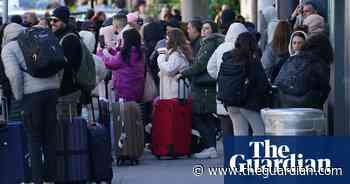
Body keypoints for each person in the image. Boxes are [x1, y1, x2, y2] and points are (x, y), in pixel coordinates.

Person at [2, 23, 60, 184]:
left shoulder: (8, 48)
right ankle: (51, 179)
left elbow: (14, 75)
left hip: (31, 95)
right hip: (52, 90)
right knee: (50, 136)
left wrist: (19, 96)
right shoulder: (38, 39)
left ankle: (37, 179)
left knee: (34, 138)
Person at [180, 21, 224, 159]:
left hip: (203, 86)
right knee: (206, 116)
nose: (204, 31)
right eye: (203, 28)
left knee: (200, 115)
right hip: (207, 85)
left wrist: (184, 72)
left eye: (207, 28)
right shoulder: (210, 42)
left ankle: (210, 146)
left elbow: (200, 64)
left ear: (212, 30)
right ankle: (210, 147)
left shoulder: (209, 43)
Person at [223, 32, 270, 136]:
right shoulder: (253, 61)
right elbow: (263, 84)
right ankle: (258, 152)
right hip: (249, 103)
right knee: (260, 132)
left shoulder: (227, 59)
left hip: (230, 101)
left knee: (239, 133)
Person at [207, 23, 248, 136]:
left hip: (223, 93)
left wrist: (220, 77)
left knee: (226, 128)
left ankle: (229, 152)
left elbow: (210, 67)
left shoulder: (221, 47)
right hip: (241, 94)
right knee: (241, 128)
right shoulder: (244, 47)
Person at [274, 33, 332, 109]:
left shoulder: (292, 59)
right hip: (307, 109)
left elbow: (277, 82)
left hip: (283, 107)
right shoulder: (319, 63)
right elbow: (324, 90)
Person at [98, 28, 145, 102]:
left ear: (127, 41)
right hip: (137, 87)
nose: (121, 41)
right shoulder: (139, 52)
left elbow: (110, 63)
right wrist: (111, 50)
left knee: (124, 112)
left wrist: (101, 53)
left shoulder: (124, 54)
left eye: (122, 39)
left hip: (124, 90)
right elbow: (120, 60)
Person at [50, 6, 82, 105]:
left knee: (67, 119)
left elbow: (67, 65)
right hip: (60, 87)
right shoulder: (57, 35)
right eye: (51, 20)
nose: (52, 23)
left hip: (68, 90)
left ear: (64, 21)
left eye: (55, 20)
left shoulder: (70, 38)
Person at [157, 28, 192, 100]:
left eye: (167, 39)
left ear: (173, 40)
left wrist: (161, 56)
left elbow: (169, 69)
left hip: (174, 93)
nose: (166, 42)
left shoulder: (177, 54)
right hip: (173, 91)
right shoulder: (176, 52)